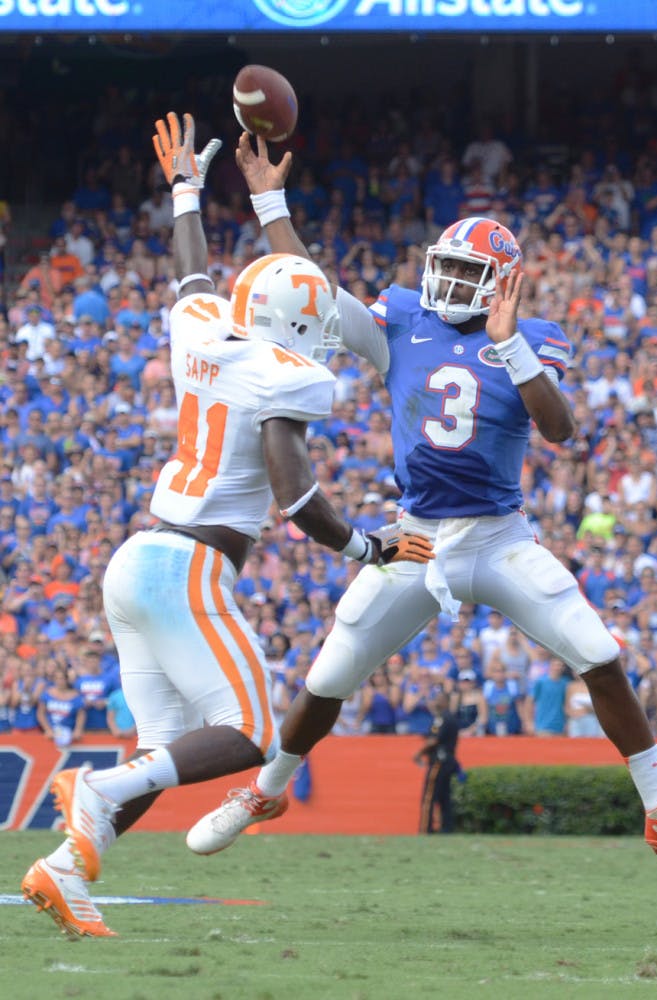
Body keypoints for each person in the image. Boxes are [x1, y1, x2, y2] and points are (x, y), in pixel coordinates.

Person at [188, 131, 657, 864]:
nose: (447, 281)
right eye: (443, 266)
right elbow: (312, 286)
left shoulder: (533, 338)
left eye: (466, 271)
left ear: (503, 282)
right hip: (416, 534)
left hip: (497, 536)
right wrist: (269, 201)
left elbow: (561, 428)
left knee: (598, 654)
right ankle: (267, 790)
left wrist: (511, 344)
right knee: (329, 676)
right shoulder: (399, 321)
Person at [21, 113, 433, 940]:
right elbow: (292, 491)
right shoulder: (286, 372)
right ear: (298, 325)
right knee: (245, 732)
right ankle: (92, 795)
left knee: (161, 750)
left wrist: (185, 190)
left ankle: (61, 871)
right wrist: (365, 545)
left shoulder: (204, 328)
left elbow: (190, 274)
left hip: (135, 561)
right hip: (191, 570)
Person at [414, 688, 461, 833]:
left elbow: (434, 740)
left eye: (439, 699)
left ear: (445, 702)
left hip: (439, 761)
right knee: (444, 797)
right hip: (449, 760)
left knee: (430, 795)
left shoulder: (442, 718)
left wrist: (419, 753)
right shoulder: (451, 718)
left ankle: (425, 828)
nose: (436, 702)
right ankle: (447, 829)